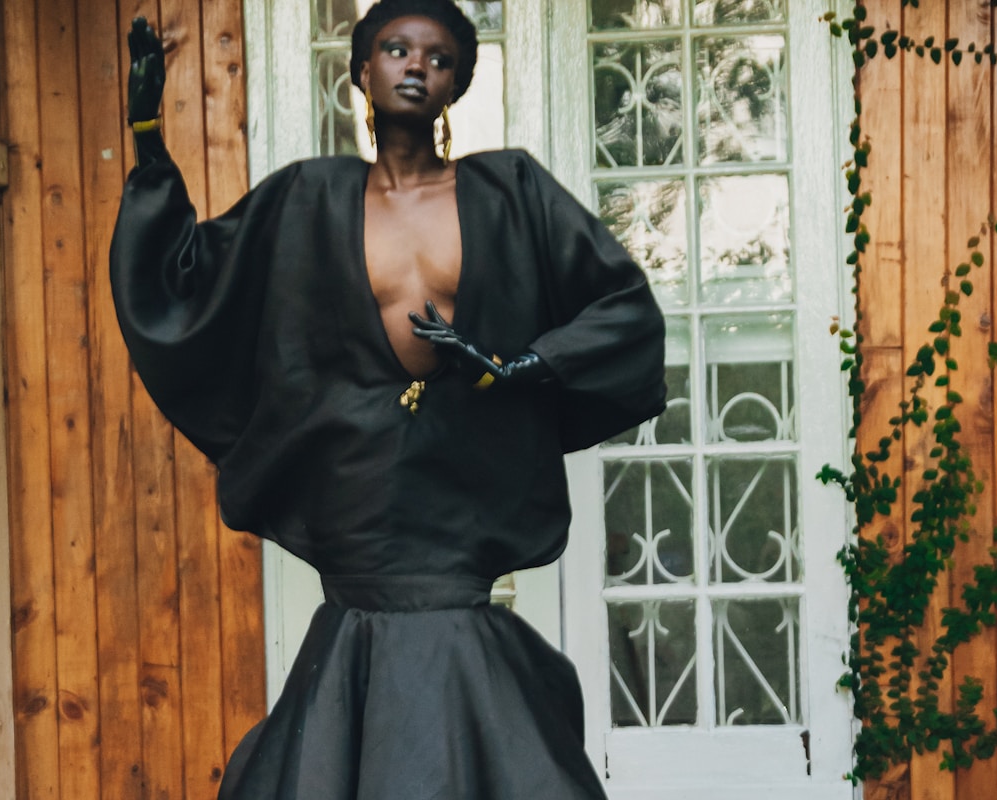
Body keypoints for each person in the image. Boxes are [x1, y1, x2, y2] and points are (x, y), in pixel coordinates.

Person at [111, 1, 665, 797]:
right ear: (361, 71)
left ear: (457, 85)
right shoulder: (304, 196)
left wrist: (518, 367)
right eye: (396, 49)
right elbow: (184, 279)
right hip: (359, 502)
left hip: (464, 500)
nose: (416, 66)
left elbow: (625, 310)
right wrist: (145, 140)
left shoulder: (512, 189)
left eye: (438, 58)